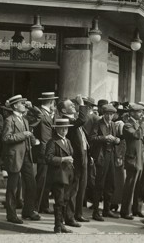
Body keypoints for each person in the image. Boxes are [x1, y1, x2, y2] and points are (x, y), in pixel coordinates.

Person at [2, 94, 40, 223]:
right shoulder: (9, 120)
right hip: (15, 157)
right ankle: (11, 215)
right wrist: (22, 135)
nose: (24, 105)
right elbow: (6, 138)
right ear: (14, 106)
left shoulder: (24, 119)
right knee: (12, 188)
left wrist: (32, 106)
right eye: (21, 103)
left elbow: (38, 116)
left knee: (31, 184)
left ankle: (28, 211)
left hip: (26, 156)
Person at [59, 96, 89, 225]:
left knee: (80, 187)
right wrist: (82, 104)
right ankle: (69, 217)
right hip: (75, 159)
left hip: (83, 157)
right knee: (72, 189)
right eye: (70, 105)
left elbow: (84, 139)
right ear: (64, 111)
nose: (74, 106)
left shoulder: (73, 120)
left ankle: (78, 213)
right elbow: (83, 119)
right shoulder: (66, 121)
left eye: (74, 104)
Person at [89, 104, 121, 221]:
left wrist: (116, 140)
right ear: (104, 114)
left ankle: (106, 210)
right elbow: (91, 138)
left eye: (111, 114)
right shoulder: (98, 123)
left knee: (110, 183)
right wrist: (105, 138)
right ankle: (96, 211)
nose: (109, 117)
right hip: (101, 156)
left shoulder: (113, 124)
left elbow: (117, 139)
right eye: (107, 114)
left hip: (110, 155)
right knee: (99, 184)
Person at [45, 118, 75, 233]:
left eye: (66, 128)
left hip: (68, 174)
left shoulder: (67, 141)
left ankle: (61, 224)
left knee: (66, 200)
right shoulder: (52, 141)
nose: (64, 130)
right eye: (62, 128)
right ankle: (57, 226)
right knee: (59, 201)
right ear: (56, 128)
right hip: (58, 175)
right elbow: (48, 158)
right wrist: (63, 159)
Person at [120, 103, 144, 220]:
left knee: (140, 185)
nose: (141, 114)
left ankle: (137, 209)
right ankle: (125, 211)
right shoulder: (127, 125)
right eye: (139, 112)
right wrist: (143, 124)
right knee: (130, 186)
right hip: (133, 158)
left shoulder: (138, 124)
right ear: (132, 113)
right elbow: (137, 135)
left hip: (141, 158)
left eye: (142, 111)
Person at [32, 92, 58, 214]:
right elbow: (43, 137)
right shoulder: (42, 115)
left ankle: (43, 206)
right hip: (44, 151)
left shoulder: (46, 114)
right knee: (41, 180)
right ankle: (35, 207)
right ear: (51, 102)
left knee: (46, 180)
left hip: (45, 150)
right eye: (54, 102)